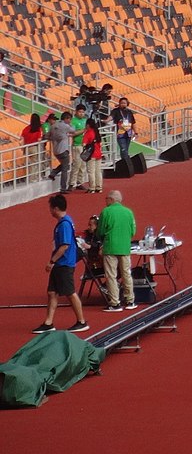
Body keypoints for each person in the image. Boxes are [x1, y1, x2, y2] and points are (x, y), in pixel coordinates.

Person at [32, 193, 90, 334]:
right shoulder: (65, 222)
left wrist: (52, 261)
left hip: (64, 264)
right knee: (52, 292)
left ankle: (81, 321)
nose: (50, 211)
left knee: (70, 293)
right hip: (60, 264)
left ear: (56, 208)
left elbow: (64, 245)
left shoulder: (64, 224)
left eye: (51, 208)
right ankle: (48, 322)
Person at [99, 190, 137, 312]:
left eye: (106, 198)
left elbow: (100, 231)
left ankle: (115, 302)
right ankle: (130, 300)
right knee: (126, 274)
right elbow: (133, 231)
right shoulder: (129, 212)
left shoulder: (106, 212)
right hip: (125, 247)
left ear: (111, 199)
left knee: (111, 275)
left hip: (110, 247)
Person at [45, 110, 73, 191]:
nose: (70, 121)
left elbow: (47, 136)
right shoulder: (65, 126)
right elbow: (73, 130)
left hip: (56, 150)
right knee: (65, 169)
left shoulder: (53, 126)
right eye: (69, 119)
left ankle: (53, 173)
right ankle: (63, 188)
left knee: (65, 165)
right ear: (66, 119)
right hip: (63, 149)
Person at [82, 118, 104, 194]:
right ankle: (99, 187)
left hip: (91, 155)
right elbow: (101, 144)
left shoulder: (88, 133)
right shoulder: (97, 132)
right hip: (98, 154)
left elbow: (84, 144)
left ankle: (92, 187)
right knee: (98, 171)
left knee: (91, 171)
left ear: (88, 125)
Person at [110, 96, 136, 160]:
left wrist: (135, 132)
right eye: (121, 103)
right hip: (120, 133)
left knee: (126, 148)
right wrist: (106, 120)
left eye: (124, 103)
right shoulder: (116, 111)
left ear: (127, 104)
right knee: (123, 148)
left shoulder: (129, 112)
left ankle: (124, 160)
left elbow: (133, 122)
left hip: (128, 133)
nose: (123, 104)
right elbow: (111, 116)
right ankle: (127, 160)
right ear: (119, 103)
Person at [69, 104, 88, 190]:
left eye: (83, 112)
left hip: (84, 145)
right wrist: (83, 130)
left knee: (83, 165)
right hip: (77, 145)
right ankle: (72, 183)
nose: (81, 114)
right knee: (76, 164)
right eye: (80, 112)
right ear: (76, 112)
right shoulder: (73, 121)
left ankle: (79, 182)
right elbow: (72, 133)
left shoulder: (85, 120)